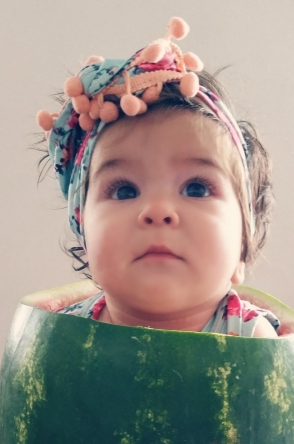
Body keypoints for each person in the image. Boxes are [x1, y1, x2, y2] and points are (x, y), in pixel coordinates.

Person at [36, 17, 280, 338]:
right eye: (124, 191)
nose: (157, 210)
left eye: (196, 188)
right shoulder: (63, 336)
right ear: (83, 232)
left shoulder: (253, 341)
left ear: (243, 245)